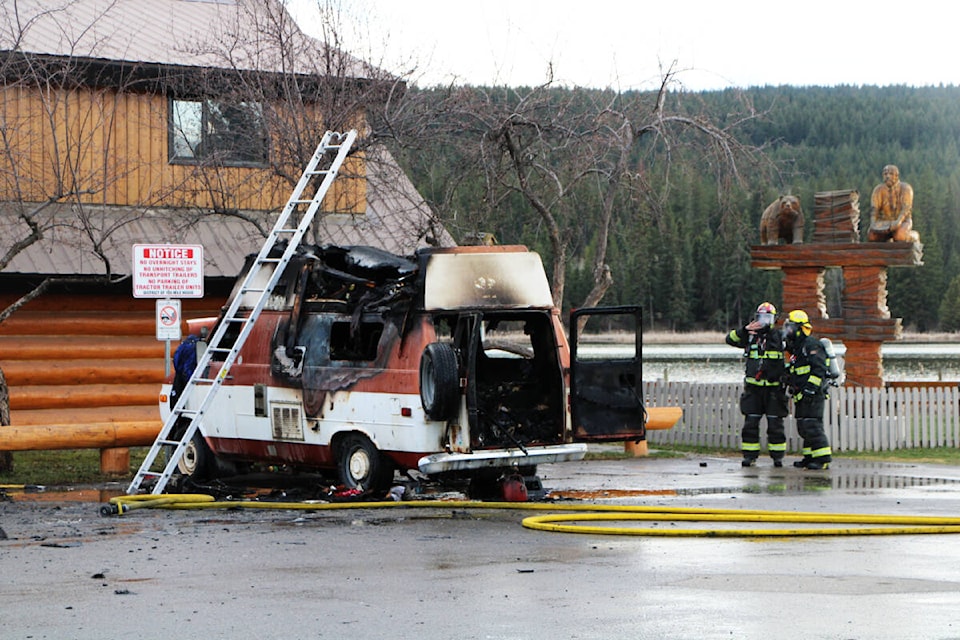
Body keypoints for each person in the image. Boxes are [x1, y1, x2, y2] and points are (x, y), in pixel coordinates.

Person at [725, 302, 788, 467]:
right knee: (751, 424)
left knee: (775, 425)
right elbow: (730, 339)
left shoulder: (779, 336)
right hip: (754, 389)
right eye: (761, 317)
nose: (764, 321)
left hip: (774, 389)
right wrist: (744, 331)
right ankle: (749, 456)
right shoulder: (750, 335)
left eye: (768, 318)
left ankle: (777, 457)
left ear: (774, 319)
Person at [782, 310, 833, 470]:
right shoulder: (796, 349)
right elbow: (793, 368)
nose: (787, 331)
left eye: (790, 327)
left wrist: (810, 389)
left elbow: (819, 369)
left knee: (812, 425)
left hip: (813, 394)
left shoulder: (811, 345)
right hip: (801, 394)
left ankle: (822, 459)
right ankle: (809, 457)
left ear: (799, 328)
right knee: (804, 426)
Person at [868, 164, 919, 242]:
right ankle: (889, 239)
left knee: (899, 236)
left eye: (891, 174)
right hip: (885, 222)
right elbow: (874, 209)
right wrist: (873, 223)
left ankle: (913, 236)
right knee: (872, 236)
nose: (888, 176)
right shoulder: (878, 190)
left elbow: (906, 209)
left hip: (902, 221)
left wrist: (898, 222)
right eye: (885, 174)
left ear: (896, 176)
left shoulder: (905, 188)